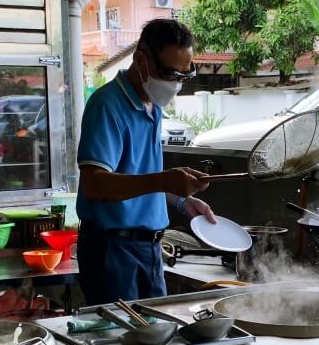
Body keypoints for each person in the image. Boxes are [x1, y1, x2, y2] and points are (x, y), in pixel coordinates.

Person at [76, 19, 216, 306]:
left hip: (148, 248)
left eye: (183, 76)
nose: (175, 84)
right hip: (111, 250)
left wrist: (181, 202)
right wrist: (165, 179)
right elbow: (94, 183)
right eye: (168, 73)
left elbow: (139, 180)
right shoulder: (107, 106)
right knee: (120, 340)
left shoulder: (153, 107)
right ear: (141, 59)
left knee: (154, 336)